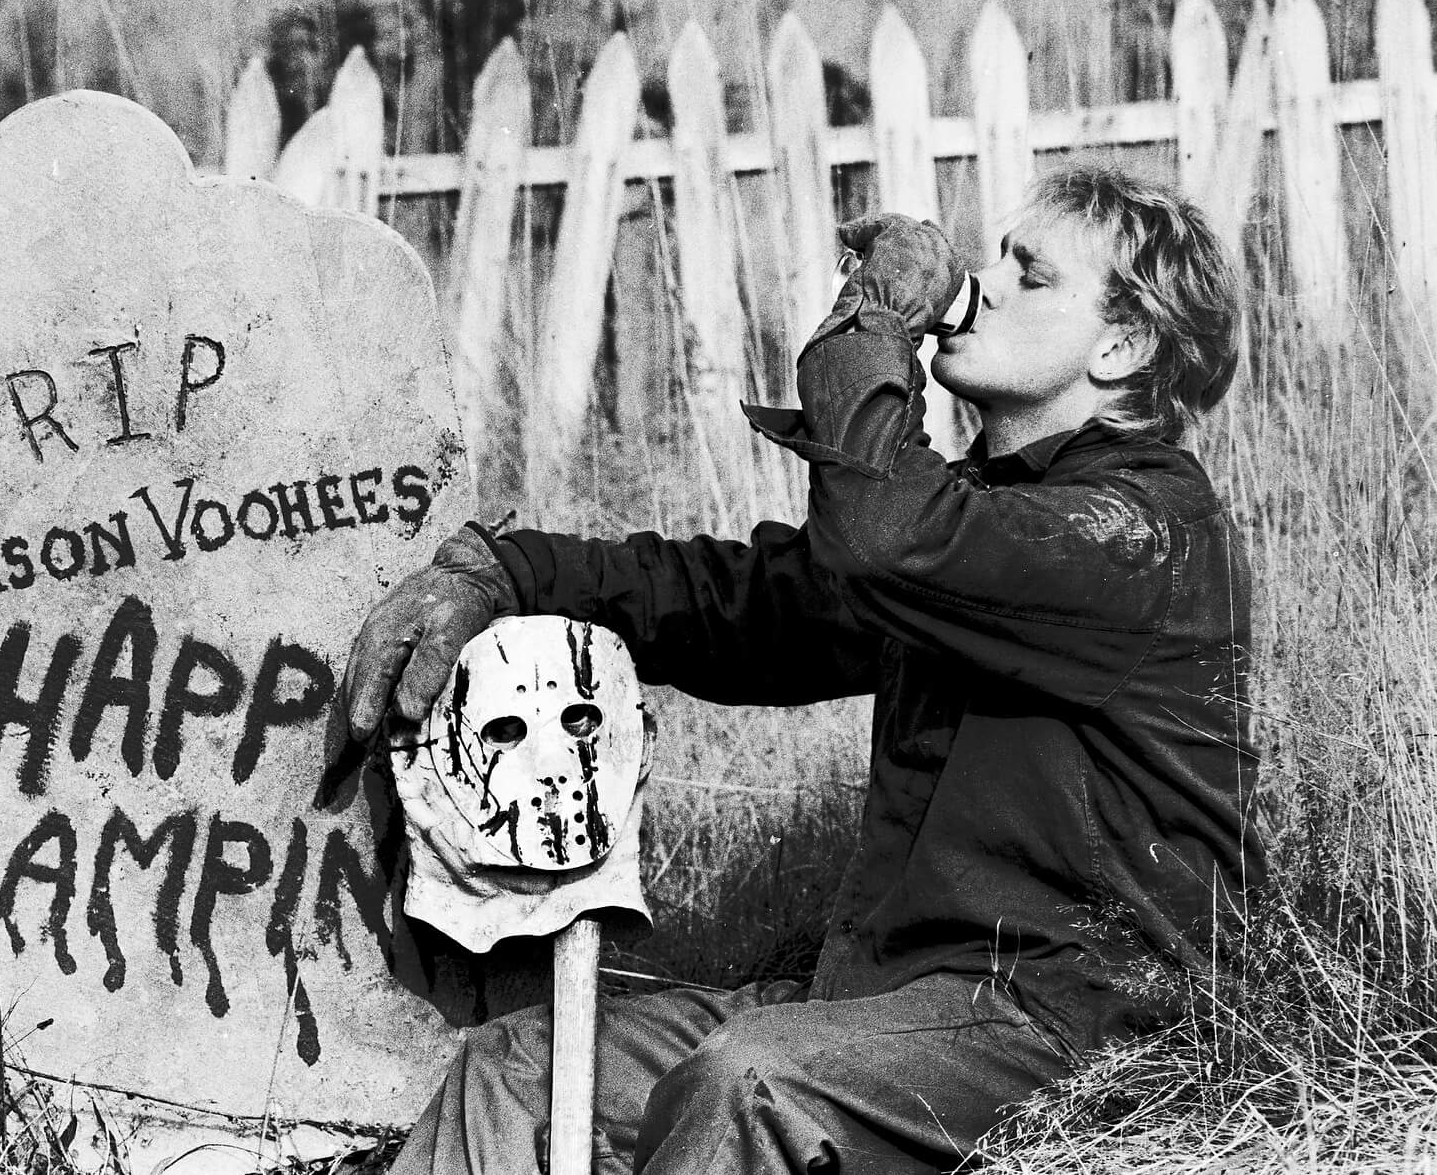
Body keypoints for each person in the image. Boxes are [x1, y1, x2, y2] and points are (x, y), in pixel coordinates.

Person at [342, 163, 1266, 1174]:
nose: (986, 281)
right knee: (518, 1065)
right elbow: (747, 602)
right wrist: (509, 572)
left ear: (1122, 344)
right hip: (892, 1006)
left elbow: (881, 536)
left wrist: (871, 322)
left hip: (1068, 1020)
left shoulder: (1135, 534)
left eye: (1031, 274)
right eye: (997, 259)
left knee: (752, 1082)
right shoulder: (989, 527)